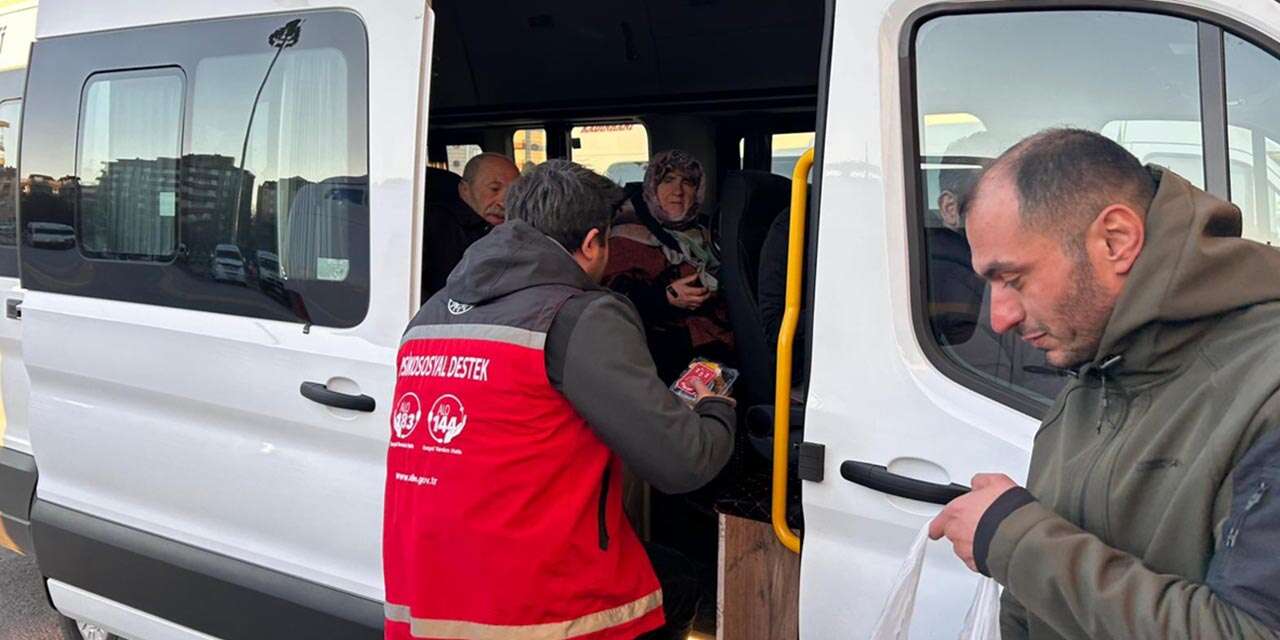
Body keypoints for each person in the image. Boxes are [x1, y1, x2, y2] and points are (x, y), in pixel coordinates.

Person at [929, 128, 1280, 638]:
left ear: (1115, 240)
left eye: (1014, 279)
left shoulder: (1266, 391)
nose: (999, 317)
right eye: (989, 284)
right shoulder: (1091, 382)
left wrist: (1016, 542)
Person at [383, 159, 737, 640]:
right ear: (592, 243)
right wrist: (716, 405)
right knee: (675, 579)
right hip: (538, 610)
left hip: (425, 600)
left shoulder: (430, 315)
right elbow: (684, 463)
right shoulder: (576, 315)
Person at [605, 149, 734, 383]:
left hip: (716, 348)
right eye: (668, 180)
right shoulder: (625, 235)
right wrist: (666, 298)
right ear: (652, 188)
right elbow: (611, 302)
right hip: (659, 358)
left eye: (687, 182)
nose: (678, 191)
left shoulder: (706, 231)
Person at [421, 153, 519, 297]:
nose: (504, 202)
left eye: (514, 192)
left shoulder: (521, 229)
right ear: (464, 190)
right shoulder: (434, 228)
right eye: (494, 189)